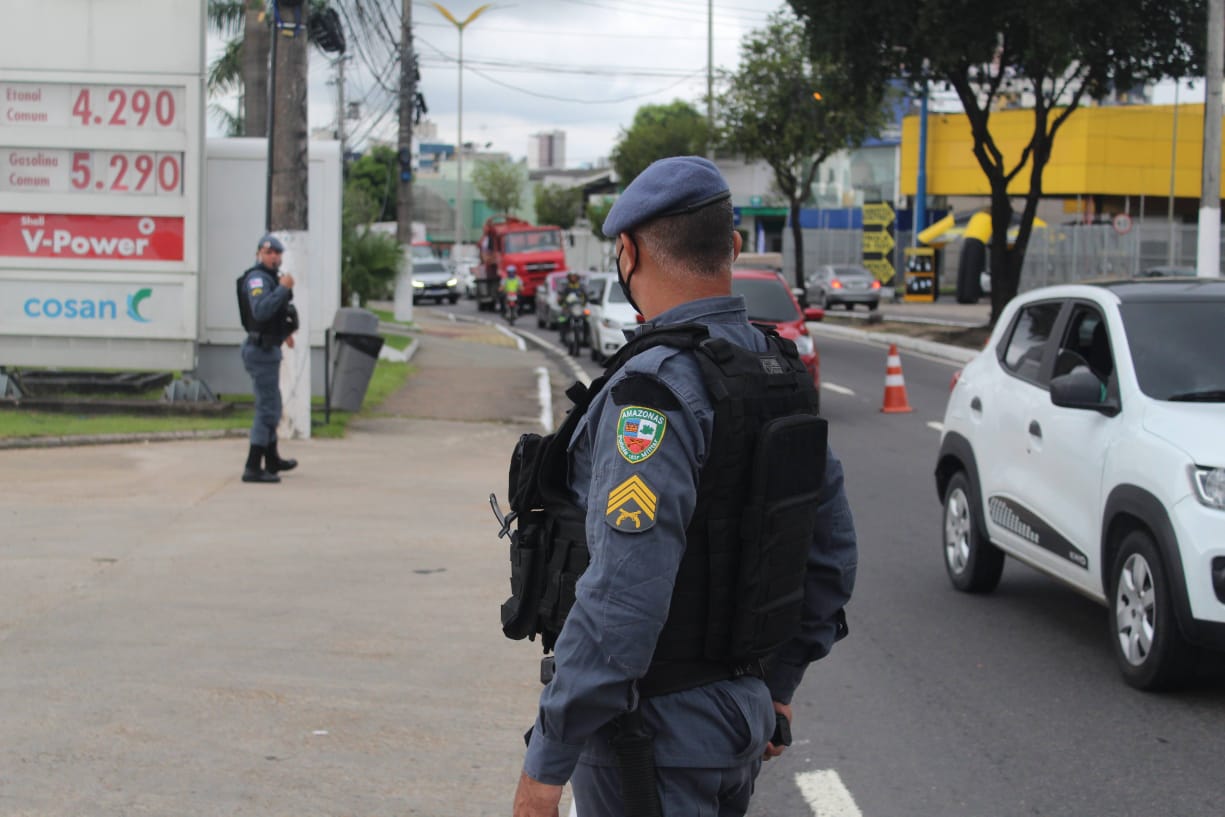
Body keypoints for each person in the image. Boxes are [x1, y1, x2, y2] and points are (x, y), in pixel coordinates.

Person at [510, 157, 858, 816]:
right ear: (730, 247)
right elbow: (829, 555)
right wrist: (776, 685)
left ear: (628, 250)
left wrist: (544, 765)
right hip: (737, 719)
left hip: (649, 735)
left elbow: (621, 601)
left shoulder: (655, 392)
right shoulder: (778, 372)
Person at [236, 234, 299, 484]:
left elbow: (273, 316)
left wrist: (284, 334)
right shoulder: (257, 279)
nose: (274, 257)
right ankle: (253, 466)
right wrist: (283, 288)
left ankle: (271, 459)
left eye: (277, 253)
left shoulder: (271, 278)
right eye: (269, 252)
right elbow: (261, 310)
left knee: (273, 405)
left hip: (269, 348)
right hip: (259, 351)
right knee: (266, 410)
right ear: (259, 254)